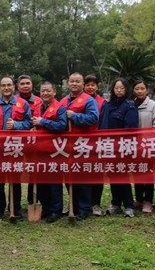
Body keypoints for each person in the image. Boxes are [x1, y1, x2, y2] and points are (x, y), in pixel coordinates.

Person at [0, 76, 32, 222]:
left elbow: (29, 123)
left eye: (9, 85)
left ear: (13, 87)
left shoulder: (23, 104)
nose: (6, 88)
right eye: (3, 85)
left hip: (16, 148)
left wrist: (16, 125)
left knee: (15, 179)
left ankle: (15, 208)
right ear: (0, 88)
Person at [60, 72, 99, 220]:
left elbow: (93, 118)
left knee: (82, 178)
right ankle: (73, 206)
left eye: (77, 81)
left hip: (83, 145)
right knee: (69, 176)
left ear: (82, 84)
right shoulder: (63, 101)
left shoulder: (89, 100)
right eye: (72, 81)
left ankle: (84, 208)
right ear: (68, 84)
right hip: (66, 145)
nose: (74, 84)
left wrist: (74, 116)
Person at [99, 78, 139, 217]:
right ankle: (115, 203)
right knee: (112, 175)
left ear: (126, 89)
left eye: (122, 88)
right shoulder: (107, 105)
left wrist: (122, 145)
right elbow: (102, 124)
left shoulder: (129, 105)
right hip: (107, 145)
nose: (119, 90)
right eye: (116, 88)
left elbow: (131, 129)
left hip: (122, 146)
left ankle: (128, 205)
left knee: (122, 175)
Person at [31, 81, 67, 223]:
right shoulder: (38, 107)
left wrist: (43, 122)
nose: (45, 93)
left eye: (48, 91)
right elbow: (33, 123)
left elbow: (62, 126)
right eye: (43, 91)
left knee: (54, 182)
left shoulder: (60, 108)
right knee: (41, 182)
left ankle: (56, 210)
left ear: (54, 92)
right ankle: (45, 208)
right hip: (38, 150)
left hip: (54, 151)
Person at [132, 80, 155, 213]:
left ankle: (148, 200)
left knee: (149, 173)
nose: (139, 91)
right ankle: (139, 198)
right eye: (137, 89)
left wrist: (150, 138)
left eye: (142, 88)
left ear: (147, 90)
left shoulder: (153, 105)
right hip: (134, 145)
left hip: (149, 144)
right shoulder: (131, 105)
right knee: (138, 172)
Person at [16, 75, 42, 208]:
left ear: (32, 85)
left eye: (28, 83)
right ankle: (15, 205)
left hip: (35, 142)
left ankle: (33, 201)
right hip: (17, 142)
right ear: (18, 86)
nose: (25, 86)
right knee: (16, 171)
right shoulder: (13, 101)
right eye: (22, 84)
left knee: (34, 170)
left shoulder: (39, 101)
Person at [84, 75, 106, 216]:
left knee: (97, 172)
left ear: (97, 87)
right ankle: (83, 202)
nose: (90, 87)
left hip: (97, 142)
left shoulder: (102, 102)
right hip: (81, 142)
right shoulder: (79, 100)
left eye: (93, 85)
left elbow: (103, 121)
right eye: (88, 85)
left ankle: (95, 203)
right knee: (83, 173)